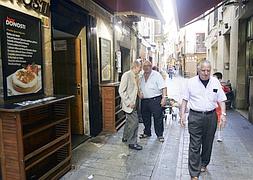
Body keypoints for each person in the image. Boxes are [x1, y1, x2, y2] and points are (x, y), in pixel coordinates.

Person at [180, 60, 227, 180]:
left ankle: (204, 163)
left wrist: (223, 114)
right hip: (195, 116)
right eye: (203, 70)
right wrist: (182, 115)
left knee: (208, 142)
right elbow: (184, 100)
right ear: (198, 70)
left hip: (211, 116)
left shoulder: (215, 82)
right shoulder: (190, 82)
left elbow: (221, 99)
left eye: (208, 70)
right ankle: (194, 173)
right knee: (195, 144)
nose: (206, 73)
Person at [139, 60, 167, 142]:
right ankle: (147, 132)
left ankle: (160, 135)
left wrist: (164, 98)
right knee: (145, 117)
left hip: (155, 99)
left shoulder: (156, 75)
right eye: (144, 66)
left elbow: (163, 87)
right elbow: (138, 86)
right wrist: (139, 93)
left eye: (148, 66)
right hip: (144, 100)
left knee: (158, 117)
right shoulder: (141, 75)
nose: (146, 67)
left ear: (151, 66)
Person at [119, 60, 142, 150]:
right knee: (135, 123)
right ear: (135, 67)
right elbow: (121, 91)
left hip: (136, 103)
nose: (141, 69)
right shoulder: (127, 75)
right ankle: (132, 143)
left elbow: (136, 89)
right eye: (140, 67)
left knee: (129, 121)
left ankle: (125, 137)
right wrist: (128, 103)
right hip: (129, 104)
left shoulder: (137, 76)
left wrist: (140, 94)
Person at [213, 72, 227, 142]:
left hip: (219, 107)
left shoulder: (221, 87)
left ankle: (219, 134)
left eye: (215, 78)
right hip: (212, 106)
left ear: (220, 79)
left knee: (219, 121)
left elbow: (223, 99)